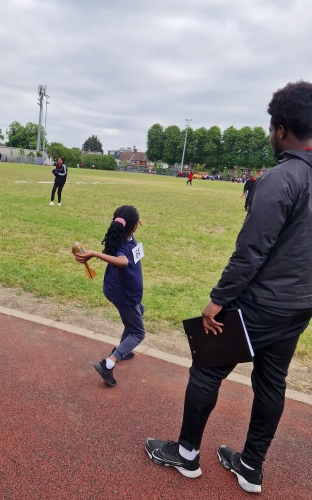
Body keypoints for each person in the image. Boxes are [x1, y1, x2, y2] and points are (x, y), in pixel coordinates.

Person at [145, 81, 312, 495]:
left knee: (207, 368)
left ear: (280, 129)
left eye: (271, 128)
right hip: (300, 305)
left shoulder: (281, 178)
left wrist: (217, 301)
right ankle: (251, 466)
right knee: (272, 382)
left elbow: (250, 251)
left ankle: (186, 454)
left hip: (261, 302)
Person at [74, 205, 145, 387]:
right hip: (125, 295)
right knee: (138, 333)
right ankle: (108, 364)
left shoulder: (121, 236)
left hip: (120, 290)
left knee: (140, 310)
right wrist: (94, 254)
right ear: (134, 226)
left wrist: (134, 224)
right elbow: (123, 262)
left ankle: (123, 348)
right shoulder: (123, 245)